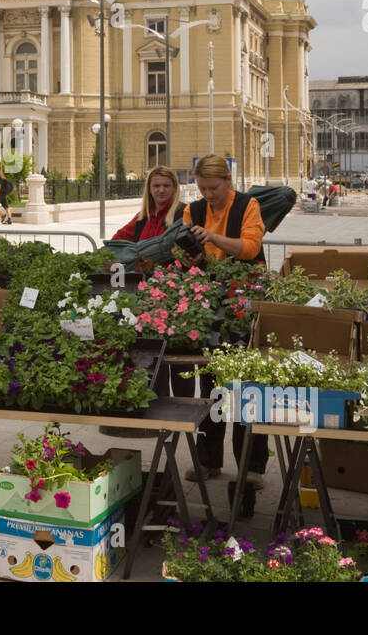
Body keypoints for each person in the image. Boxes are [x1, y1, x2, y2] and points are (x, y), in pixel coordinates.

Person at [179, 154, 268, 512]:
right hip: (210, 299)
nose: (208, 195)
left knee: (248, 384)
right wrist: (191, 256)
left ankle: (252, 466)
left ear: (227, 182)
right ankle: (209, 459)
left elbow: (250, 248)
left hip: (245, 299)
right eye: (202, 189)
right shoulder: (192, 210)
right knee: (212, 383)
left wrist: (213, 236)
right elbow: (186, 256)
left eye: (213, 188)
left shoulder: (249, 205)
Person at [113, 166, 183, 241]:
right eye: (156, 186)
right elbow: (117, 239)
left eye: (166, 186)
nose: (161, 190)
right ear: (149, 189)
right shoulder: (142, 217)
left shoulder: (184, 213)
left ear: (174, 188)